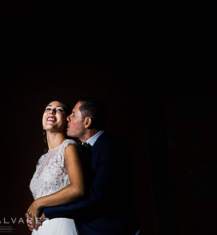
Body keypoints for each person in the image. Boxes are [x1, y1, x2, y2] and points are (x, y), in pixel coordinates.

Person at [28, 97, 140, 235]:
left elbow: (96, 196)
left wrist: (47, 209)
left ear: (87, 122)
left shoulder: (113, 147)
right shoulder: (79, 150)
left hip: (110, 230)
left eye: (73, 115)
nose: (68, 118)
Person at [26, 100, 85, 235]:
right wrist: (33, 213)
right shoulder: (43, 158)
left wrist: (37, 203)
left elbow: (78, 188)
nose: (51, 111)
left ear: (67, 120)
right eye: (48, 108)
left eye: (59, 110)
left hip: (61, 225)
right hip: (41, 228)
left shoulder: (69, 147)